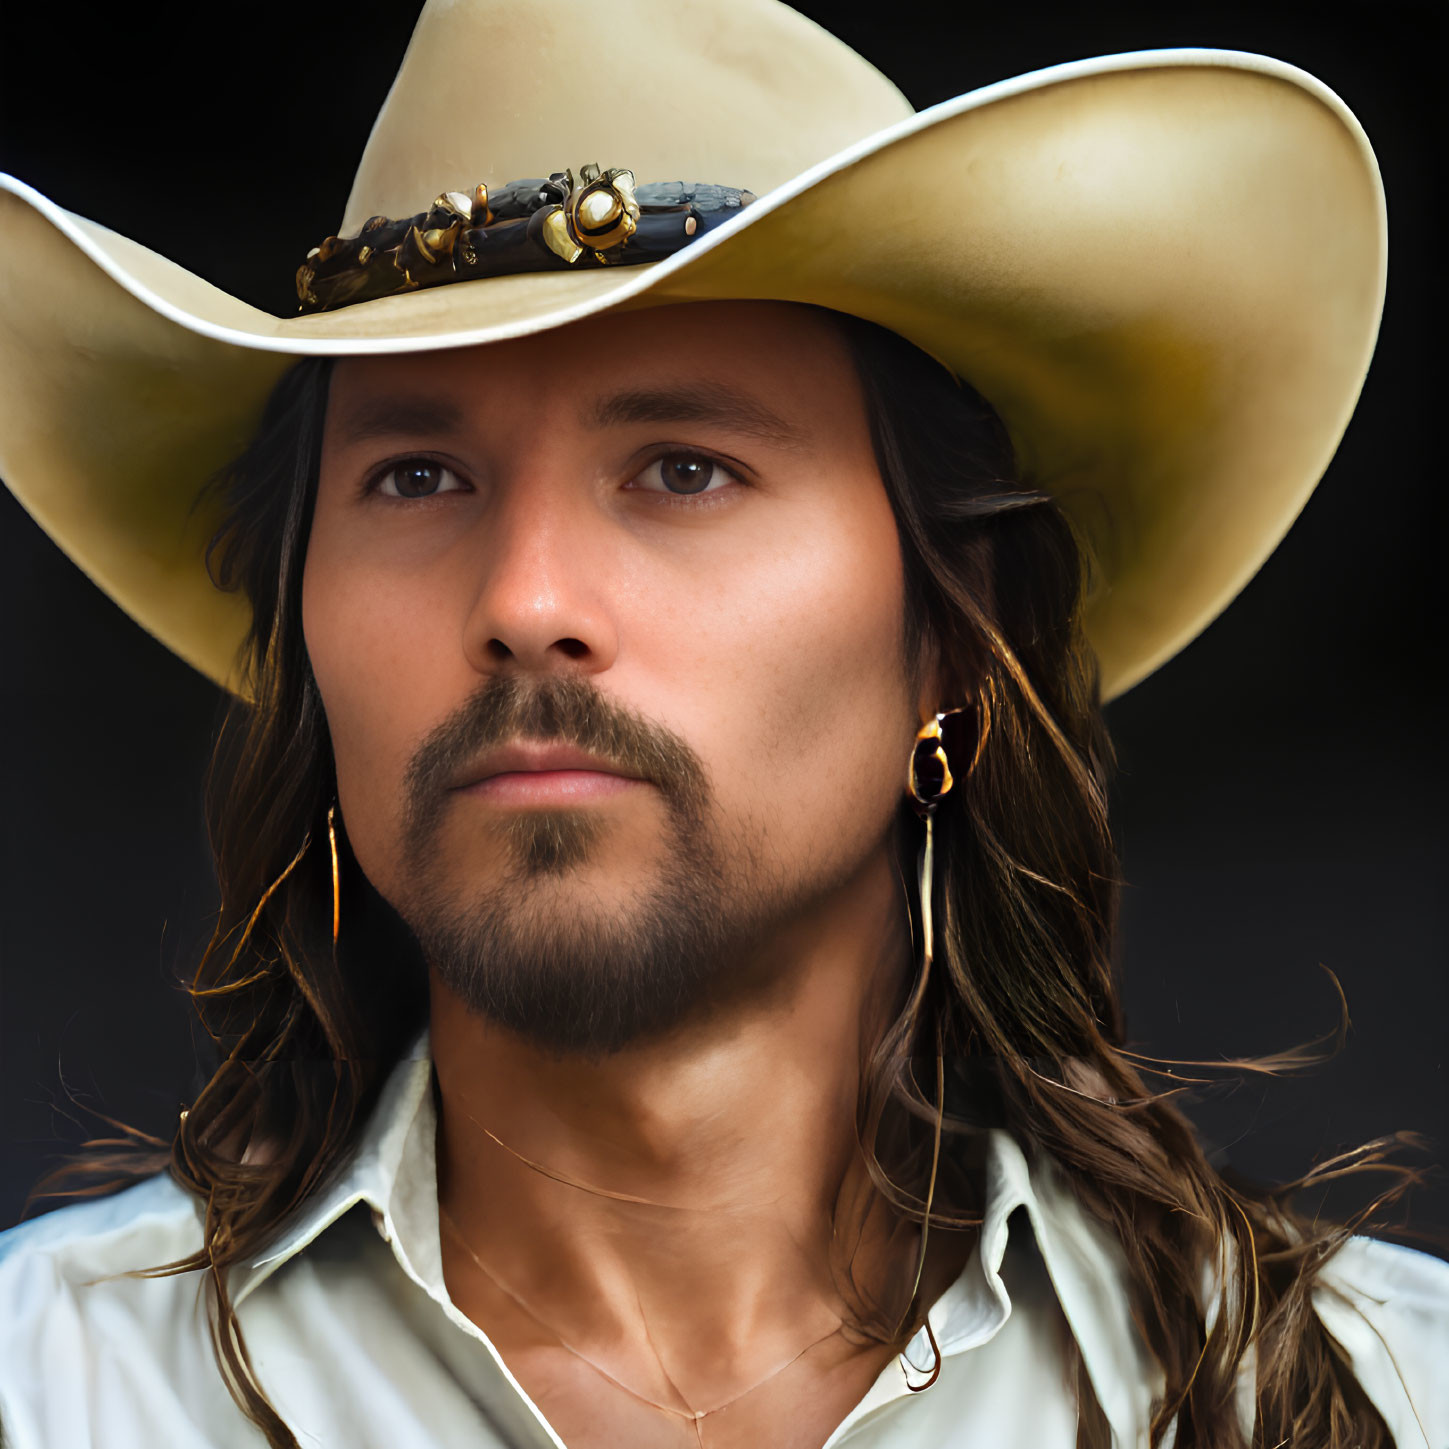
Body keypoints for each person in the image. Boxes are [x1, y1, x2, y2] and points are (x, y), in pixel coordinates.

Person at [0, 1, 1443, 1446]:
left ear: (951, 637)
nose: (525, 597)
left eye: (683, 468)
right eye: (418, 477)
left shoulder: (1363, 1403)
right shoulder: (53, 1387)